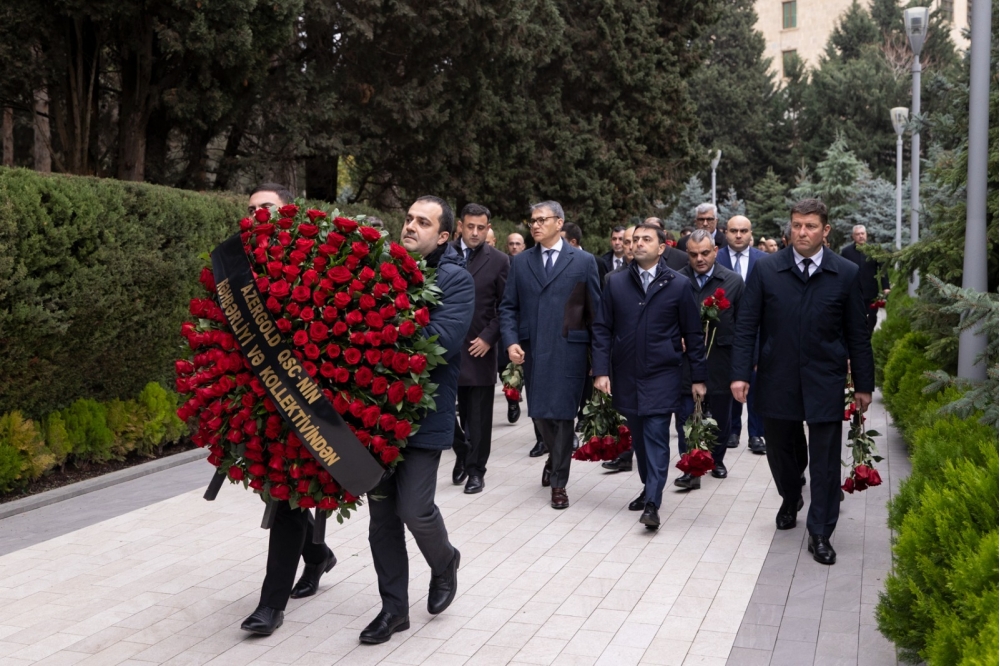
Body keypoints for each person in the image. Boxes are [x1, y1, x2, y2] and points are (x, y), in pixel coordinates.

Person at [731, 199, 874, 566]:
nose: (802, 232)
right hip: (777, 376)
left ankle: (820, 531)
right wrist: (740, 373)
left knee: (825, 460)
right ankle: (791, 495)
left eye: (810, 226)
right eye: (797, 225)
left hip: (825, 378)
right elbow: (746, 325)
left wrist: (863, 384)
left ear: (825, 230)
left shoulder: (845, 273)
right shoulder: (767, 270)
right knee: (781, 451)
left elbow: (858, 334)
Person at [361, 196, 474, 643]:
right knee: (381, 516)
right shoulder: (380, 267)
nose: (410, 226)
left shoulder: (456, 280)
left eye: (423, 222)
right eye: (408, 218)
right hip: (374, 414)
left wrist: (385, 314)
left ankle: (444, 560)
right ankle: (393, 610)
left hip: (424, 413)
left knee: (413, 507)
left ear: (443, 236)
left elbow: (442, 341)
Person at [240, 182, 338, 637]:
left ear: (290, 213)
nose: (258, 215)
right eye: (251, 209)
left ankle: (270, 606)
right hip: (259, 402)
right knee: (284, 497)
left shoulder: (312, 260)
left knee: (286, 498)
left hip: (306, 400)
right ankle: (317, 555)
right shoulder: (238, 267)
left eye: (268, 207)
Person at [592, 223, 706, 529]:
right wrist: (601, 371)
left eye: (646, 239)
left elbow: (693, 334)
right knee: (639, 439)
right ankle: (648, 487)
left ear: (661, 248)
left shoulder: (679, 285)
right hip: (627, 374)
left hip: (662, 373)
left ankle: (653, 502)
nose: (638, 243)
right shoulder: (615, 282)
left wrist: (698, 378)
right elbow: (602, 328)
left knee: (656, 436)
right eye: (635, 239)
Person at [500, 200, 601, 509]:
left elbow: (595, 314)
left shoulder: (583, 261)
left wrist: (599, 363)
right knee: (541, 414)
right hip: (533, 351)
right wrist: (511, 341)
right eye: (532, 220)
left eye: (542, 219)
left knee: (563, 417)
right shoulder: (521, 262)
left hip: (570, 351)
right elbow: (508, 307)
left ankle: (559, 483)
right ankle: (554, 458)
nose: (535, 225)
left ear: (559, 223)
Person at [673, 229, 744, 488]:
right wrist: (674, 338)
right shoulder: (676, 279)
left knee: (721, 417)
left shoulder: (733, 281)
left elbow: (743, 325)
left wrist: (743, 367)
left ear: (715, 251)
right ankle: (690, 467)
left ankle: (716, 458)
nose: (699, 259)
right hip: (686, 364)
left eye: (705, 253)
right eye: (693, 255)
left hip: (720, 361)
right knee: (686, 417)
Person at [454, 204, 509, 495]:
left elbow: (507, 306)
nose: (475, 233)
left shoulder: (499, 261)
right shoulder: (443, 253)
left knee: (478, 417)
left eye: (481, 227)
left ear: (488, 228)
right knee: (443, 412)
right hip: (445, 348)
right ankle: (462, 450)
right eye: (470, 226)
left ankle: (476, 471)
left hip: (479, 350)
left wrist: (489, 337)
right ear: (460, 226)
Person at [716, 215, 767, 454]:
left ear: (751, 233)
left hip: (757, 333)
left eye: (743, 231)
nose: (738, 235)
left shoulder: (764, 261)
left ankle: (756, 434)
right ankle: (732, 430)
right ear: (725, 232)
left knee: (756, 384)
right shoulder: (716, 258)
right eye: (733, 231)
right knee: (731, 384)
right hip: (725, 334)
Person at [840, 225, 890, 334]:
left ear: (866, 234)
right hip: (853, 292)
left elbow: (882, 269)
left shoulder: (875, 251)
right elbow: (841, 271)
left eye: (862, 233)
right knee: (854, 317)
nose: (860, 236)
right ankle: (857, 336)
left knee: (872, 316)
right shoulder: (846, 252)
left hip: (871, 291)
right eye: (857, 234)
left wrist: (885, 286)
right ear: (853, 236)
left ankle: (868, 335)